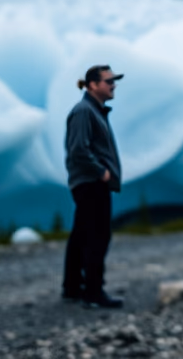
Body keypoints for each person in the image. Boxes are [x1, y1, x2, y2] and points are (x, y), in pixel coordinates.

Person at [62, 64, 125, 309]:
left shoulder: (93, 111)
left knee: (81, 234)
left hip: (89, 183)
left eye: (114, 81)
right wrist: (101, 172)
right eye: (109, 81)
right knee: (97, 236)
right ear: (93, 85)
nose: (113, 85)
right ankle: (93, 292)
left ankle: (73, 287)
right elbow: (78, 150)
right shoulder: (84, 111)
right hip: (90, 183)